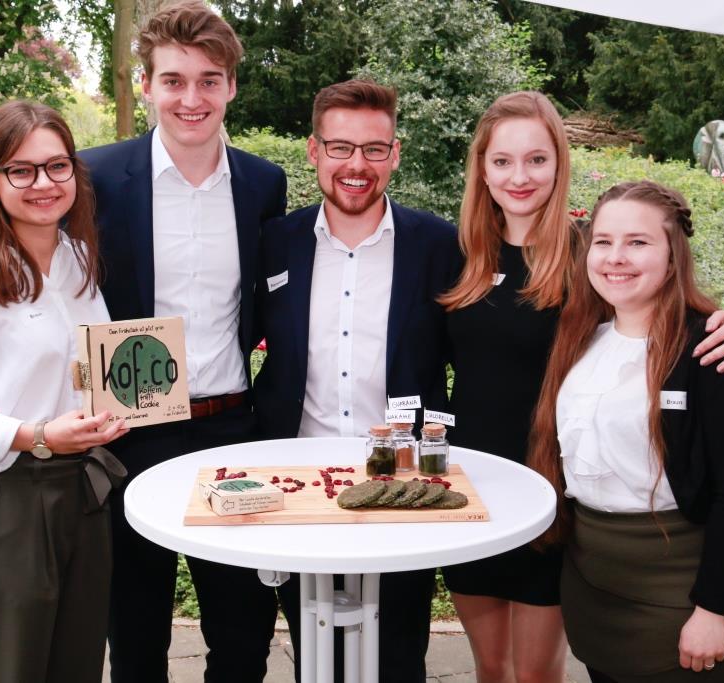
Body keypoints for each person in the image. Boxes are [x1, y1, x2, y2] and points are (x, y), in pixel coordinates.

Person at [437, 91, 724, 683]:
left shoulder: (591, 252)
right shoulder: (455, 254)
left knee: (536, 673)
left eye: (537, 159)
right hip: (475, 486)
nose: (519, 176)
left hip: (555, 495)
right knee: (491, 668)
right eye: (502, 160)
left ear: (560, 164)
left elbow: (670, 305)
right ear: (481, 168)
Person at [77, 2, 288, 681]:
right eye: (173, 80)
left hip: (231, 429)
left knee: (243, 633)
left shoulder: (263, 183)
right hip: (131, 429)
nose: (190, 98)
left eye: (208, 81)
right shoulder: (95, 177)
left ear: (231, 87)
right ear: (146, 86)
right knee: (136, 636)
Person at [0, 100, 129, 682]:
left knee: (79, 669)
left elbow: (85, 370)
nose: (44, 183)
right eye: (22, 170)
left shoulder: (79, 261)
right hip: (13, 502)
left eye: (57, 166)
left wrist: (110, 410)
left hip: (86, 496)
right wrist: (37, 435)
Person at [254, 79, 461, 682]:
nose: (356, 165)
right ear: (314, 151)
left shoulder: (439, 244)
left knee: (399, 652)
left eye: (374, 149)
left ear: (395, 154)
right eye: (340, 147)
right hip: (298, 478)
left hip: (405, 483)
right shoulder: (275, 242)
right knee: (315, 648)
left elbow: (490, 339)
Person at [528, 180, 724, 683]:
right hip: (597, 590)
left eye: (638, 242)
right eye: (603, 241)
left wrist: (713, 610)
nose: (616, 257)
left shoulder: (714, 351)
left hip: (683, 594)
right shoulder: (582, 337)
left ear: (673, 254)